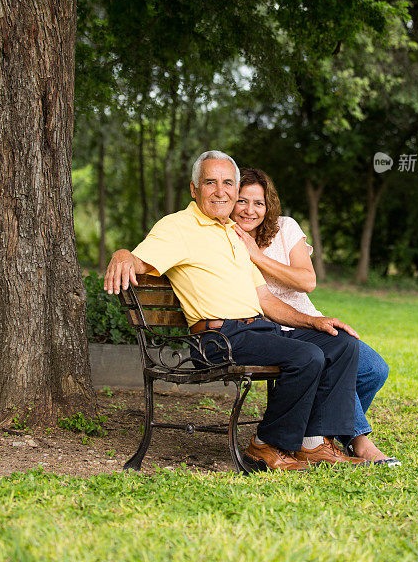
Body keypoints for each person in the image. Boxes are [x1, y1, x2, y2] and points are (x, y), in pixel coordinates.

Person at [104, 150, 369, 472]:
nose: (220, 191)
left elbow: (267, 302)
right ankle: (265, 446)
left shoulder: (233, 233)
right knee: (306, 356)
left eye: (228, 183)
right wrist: (121, 253)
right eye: (210, 182)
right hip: (218, 337)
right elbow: (140, 260)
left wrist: (315, 321)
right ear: (194, 188)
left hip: (256, 329)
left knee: (341, 343)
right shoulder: (178, 227)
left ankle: (313, 443)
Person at [231, 167, 400, 466]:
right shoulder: (227, 239)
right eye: (242, 201)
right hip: (275, 329)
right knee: (323, 363)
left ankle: (319, 433)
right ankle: (354, 441)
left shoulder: (285, 228)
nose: (250, 210)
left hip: (309, 320)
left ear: (268, 205)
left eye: (258, 202)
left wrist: (257, 255)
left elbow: (307, 281)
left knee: (374, 370)